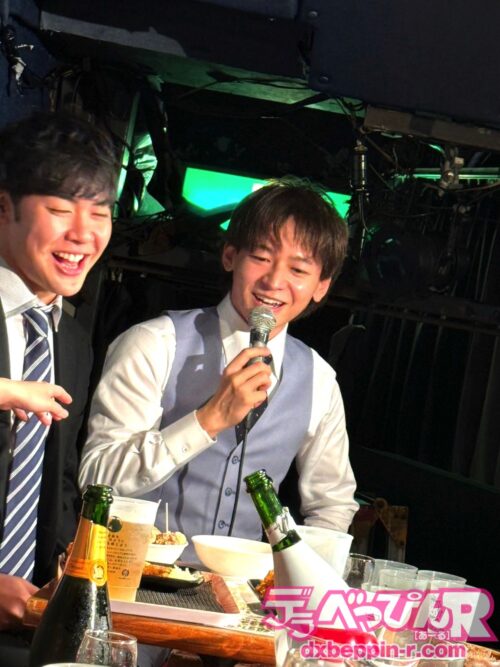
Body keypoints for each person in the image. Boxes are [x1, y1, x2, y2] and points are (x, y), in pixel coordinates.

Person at [79, 178, 359, 554]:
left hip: (245, 589)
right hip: (133, 574)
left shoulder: (319, 379)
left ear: (321, 286)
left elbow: (332, 505)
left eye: (298, 270)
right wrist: (208, 419)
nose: (274, 281)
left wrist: (301, 575)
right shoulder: (154, 343)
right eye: (261, 257)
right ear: (230, 256)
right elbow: (96, 478)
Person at [0, 110, 118, 666]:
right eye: (60, 210)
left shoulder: (70, 341)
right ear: (4, 208)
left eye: (100, 212)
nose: (83, 234)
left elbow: (59, 483)